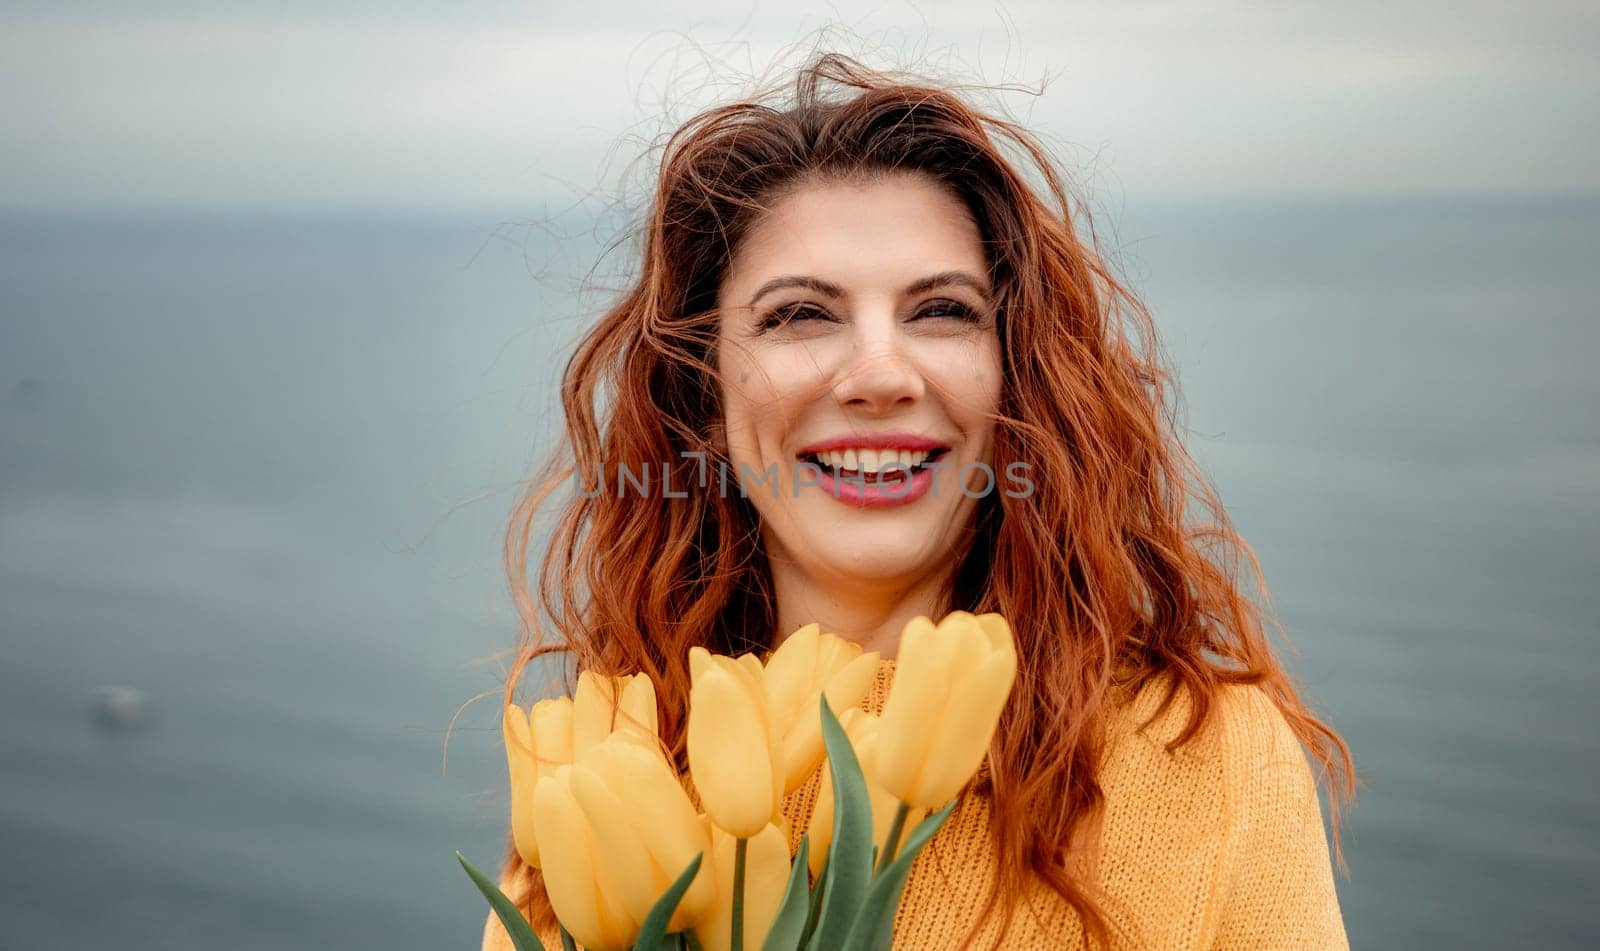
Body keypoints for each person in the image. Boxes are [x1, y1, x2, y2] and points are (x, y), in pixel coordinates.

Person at [482, 52, 1357, 950]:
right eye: (800, 315)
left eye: (941, 310)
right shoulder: (614, 768)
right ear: (704, 393)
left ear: (1016, 375)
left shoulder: (1204, 754)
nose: (880, 375)